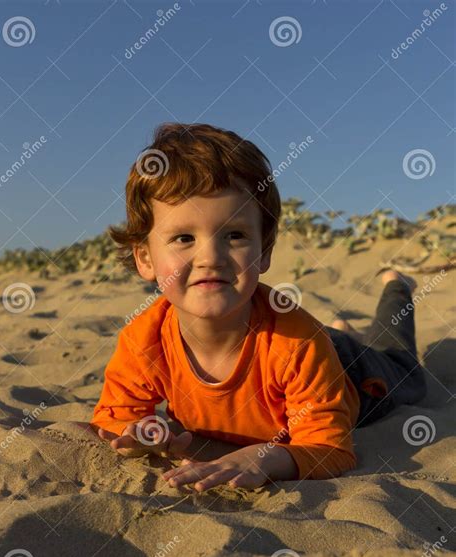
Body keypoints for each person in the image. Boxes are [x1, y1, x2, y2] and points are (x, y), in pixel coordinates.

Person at [90, 122, 426, 490]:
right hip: (307, 345)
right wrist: (140, 433)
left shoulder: (298, 344)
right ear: (145, 259)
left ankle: (396, 285)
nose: (210, 257)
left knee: (402, 365)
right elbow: (113, 417)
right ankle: (342, 331)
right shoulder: (144, 339)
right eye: (184, 238)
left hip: (353, 375)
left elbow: (330, 448)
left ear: (264, 252)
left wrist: (265, 456)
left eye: (234, 235)